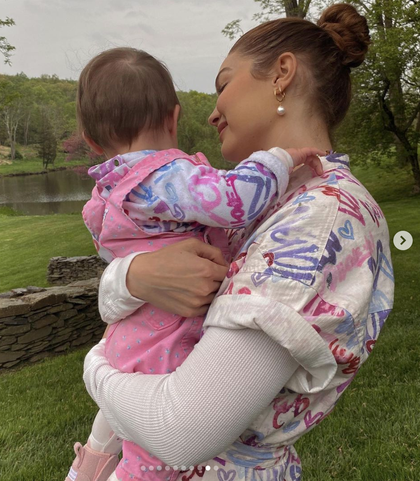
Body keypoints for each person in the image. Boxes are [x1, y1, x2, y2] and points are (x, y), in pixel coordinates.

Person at [82, 3, 394, 481]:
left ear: (282, 74)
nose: (211, 112)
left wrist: (96, 369)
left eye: (223, 83)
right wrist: (131, 276)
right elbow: (145, 272)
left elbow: (183, 431)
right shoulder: (276, 204)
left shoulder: (321, 219)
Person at [65, 47, 323, 481]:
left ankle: (87, 469)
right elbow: (234, 200)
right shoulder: (168, 176)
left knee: (121, 434)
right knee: (149, 462)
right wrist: (277, 160)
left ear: (91, 142)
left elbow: (116, 265)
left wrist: (126, 281)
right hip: (171, 334)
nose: (214, 111)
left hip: (132, 335)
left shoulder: (105, 197)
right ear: (173, 117)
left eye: (223, 84)